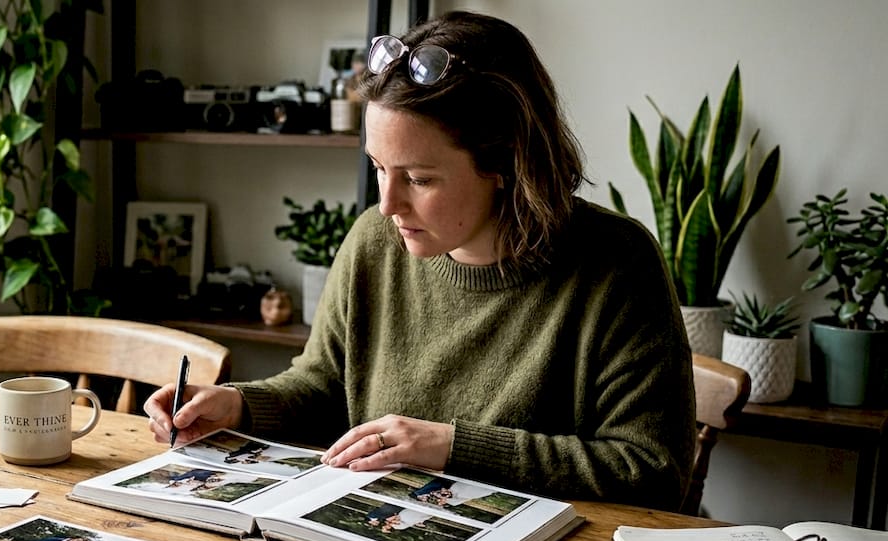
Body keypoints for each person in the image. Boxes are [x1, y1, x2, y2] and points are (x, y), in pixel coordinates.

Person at [143, 10, 693, 510]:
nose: (387, 203)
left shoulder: (617, 263)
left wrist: (450, 446)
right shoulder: (374, 243)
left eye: (419, 178)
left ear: (506, 163)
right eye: (379, 167)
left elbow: (651, 469)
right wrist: (235, 406)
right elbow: (321, 388)